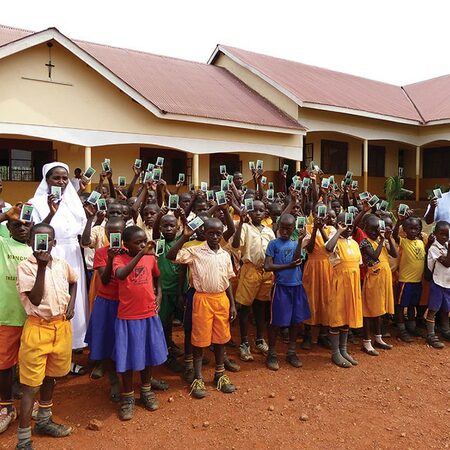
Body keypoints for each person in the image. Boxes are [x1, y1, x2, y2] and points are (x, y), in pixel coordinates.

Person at [16, 223, 77, 449]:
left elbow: (74, 281)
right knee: (30, 385)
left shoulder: (61, 264)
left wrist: (71, 304)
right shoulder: (26, 267)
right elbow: (35, 299)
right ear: (30, 241)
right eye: (38, 239)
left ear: (54, 243)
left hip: (60, 327)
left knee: (51, 376)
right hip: (37, 328)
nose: (43, 243)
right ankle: (23, 440)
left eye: (48, 239)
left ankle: (43, 420)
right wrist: (41, 267)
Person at [167, 218, 237, 399]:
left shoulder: (224, 254)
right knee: (199, 339)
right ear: (204, 233)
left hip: (221, 299)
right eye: (211, 233)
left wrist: (232, 304)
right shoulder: (195, 251)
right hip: (202, 299)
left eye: (218, 233)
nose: (214, 236)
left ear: (222, 234)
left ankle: (219, 374)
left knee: (221, 338)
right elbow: (171, 256)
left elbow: (227, 280)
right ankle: (197, 377)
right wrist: (184, 237)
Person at [28, 163, 88, 372]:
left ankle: (68, 351)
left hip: (72, 255)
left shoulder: (74, 202)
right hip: (49, 255)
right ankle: (47, 352)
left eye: (64, 178)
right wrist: (51, 213)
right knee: (52, 299)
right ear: (47, 180)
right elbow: (33, 233)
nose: (61, 182)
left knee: (73, 302)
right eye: (56, 178)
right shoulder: (35, 203)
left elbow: (83, 234)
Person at [112, 226, 167, 421]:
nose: (143, 245)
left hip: (148, 314)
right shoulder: (119, 259)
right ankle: (127, 397)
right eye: (138, 242)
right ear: (126, 245)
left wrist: (158, 296)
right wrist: (141, 254)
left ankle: (145, 390)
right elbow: (121, 275)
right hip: (128, 317)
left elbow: (157, 278)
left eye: (144, 241)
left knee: (147, 355)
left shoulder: (151, 258)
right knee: (127, 359)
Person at [84, 218, 125, 398]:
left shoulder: (131, 251)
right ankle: (114, 380)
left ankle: (132, 377)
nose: (114, 234)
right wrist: (111, 258)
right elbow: (106, 279)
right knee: (107, 339)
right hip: (106, 302)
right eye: (111, 231)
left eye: (119, 231)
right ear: (106, 233)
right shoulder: (101, 253)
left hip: (125, 302)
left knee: (123, 340)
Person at [0, 207, 32, 434]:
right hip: (8, 315)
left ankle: (34, 404)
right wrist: (5, 215)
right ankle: (6, 406)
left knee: (32, 362)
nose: (22, 228)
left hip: (34, 318)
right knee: (4, 364)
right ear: (8, 229)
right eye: (16, 225)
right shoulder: (3, 246)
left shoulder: (39, 248)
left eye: (26, 224)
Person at [264, 214, 310, 370]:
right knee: (276, 322)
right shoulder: (273, 244)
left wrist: (299, 242)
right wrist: (287, 266)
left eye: (288, 228)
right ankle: (271, 353)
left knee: (296, 321)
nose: (284, 231)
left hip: (296, 286)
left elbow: (297, 261)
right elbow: (268, 266)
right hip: (281, 287)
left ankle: (291, 351)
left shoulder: (296, 243)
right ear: (278, 227)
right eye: (282, 228)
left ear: (293, 229)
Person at [232, 199, 275, 361]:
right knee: (244, 307)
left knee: (261, 306)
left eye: (261, 210)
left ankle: (259, 339)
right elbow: (236, 245)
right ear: (249, 212)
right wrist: (241, 223)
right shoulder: (245, 228)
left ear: (265, 213)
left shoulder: (269, 231)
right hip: (250, 270)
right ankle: (244, 343)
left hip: (266, 272)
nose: (257, 213)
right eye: (254, 210)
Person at [325, 213, 362, 368]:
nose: (349, 228)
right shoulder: (335, 241)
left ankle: (343, 350)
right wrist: (338, 232)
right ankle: (335, 353)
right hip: (340, 284)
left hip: (353, 285)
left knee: (347, 316)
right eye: (345, 225)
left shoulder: (353, 243)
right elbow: (328, 248)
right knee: (337, 317)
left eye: (351, 226)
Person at [359, 215, 397, 355]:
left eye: (377, 230)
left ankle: (378, 338)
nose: (375, 233)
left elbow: (394, 254)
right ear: (365, 228)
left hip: (383, 279)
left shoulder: (381, 240)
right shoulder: (364, 242)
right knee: (369, 311)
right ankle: (367, 342)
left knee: (379, 310)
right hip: (373, 280)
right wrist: (382, 240)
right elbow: (374, 256)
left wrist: (388, 238)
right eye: (372, 230)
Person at [301, 209, 334, 349]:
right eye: (318, 212)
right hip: (312, 266)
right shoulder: (307, 228)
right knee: (311, 298)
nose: (321, 216)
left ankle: (323, 334)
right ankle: (307, 335)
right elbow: (308, 249)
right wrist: (315, 229)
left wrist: (322, 230)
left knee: (326, 299)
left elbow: (330, 248)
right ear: (313, 214)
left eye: (323, 213)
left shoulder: (332, 229)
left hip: (327, 266)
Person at [393, 215, 426, 342]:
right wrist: (399, 222)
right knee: (401, 306)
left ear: (419, 230)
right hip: (405, 281)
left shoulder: (421, 242)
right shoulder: (403, 241)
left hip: (417, 282)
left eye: (416, 229)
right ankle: (401, 329)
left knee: (413, 305)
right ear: (405, 230)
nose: (413, 231)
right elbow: (395, 235)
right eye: (410, 228)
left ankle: (411, 327)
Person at [425, 221, 450, 348]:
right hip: (437, 282)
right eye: (442, 234)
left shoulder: (446, 245)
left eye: (447, 234)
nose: (445, 237)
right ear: (435, 234)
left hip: (447, 283)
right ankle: (430, 334)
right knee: (433, 309)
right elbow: (447, 263)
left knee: (446, 309)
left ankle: (446, 330)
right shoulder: (434, 248)